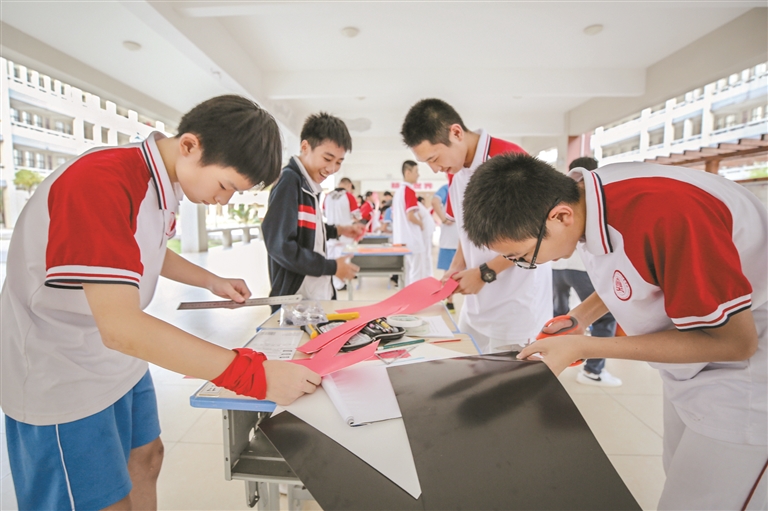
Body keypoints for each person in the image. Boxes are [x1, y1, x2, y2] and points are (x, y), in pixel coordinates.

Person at [0, 95, 322, 511]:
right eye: (226, 186)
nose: (223, 200)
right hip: (61, 368)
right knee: (99, 499)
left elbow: (140, 250)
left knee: (147, 458)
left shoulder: (161, 183)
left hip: (117, 360)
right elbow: (122, 328)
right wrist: (254, 377)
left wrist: (210, 280)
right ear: (190, 145)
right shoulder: (101, 181)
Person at [462, 152, 767, 511]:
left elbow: (735, 343)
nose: (526, 264)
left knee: (705, 500)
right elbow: (634, 270)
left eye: (521, 255)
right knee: (679, 474)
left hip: (747, 374)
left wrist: (585, 347)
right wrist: (580, 317)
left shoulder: (668, 216)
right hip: (692, 357)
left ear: (560, 216)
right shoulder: (589, 197)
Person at [401, 98, 552, 353]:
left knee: (507, 373)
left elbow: (536, 236)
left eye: (434, 158)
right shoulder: (455, 170)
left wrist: (485, 273)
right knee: (466, 362)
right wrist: (456, 266)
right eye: (427, 163)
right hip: (477, 301)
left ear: (456, 133)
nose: (435, 169)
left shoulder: (510, 161)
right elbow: (467, 230)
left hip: (516, 302)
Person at [263, 112, 364, 311]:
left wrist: (338, 230)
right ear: (305, 147)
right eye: (327, 158)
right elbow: (280, 245)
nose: (332, 168)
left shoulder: (309, 187)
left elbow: (307, 230)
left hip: (313, 296)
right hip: (295, 301)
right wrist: (332, 267)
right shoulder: (289, 181)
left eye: (339, 162)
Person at [551, 156, 622, 387]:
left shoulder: (561, 195)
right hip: (581, 269)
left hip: (557, 269)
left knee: (561, 315)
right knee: (604, 317)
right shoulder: (595, 197)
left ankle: (555, 358)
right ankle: (593, 371)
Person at [392, 160, 432, 284]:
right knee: (416, 272)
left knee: (408, 272)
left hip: (401, 239)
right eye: (416, 171)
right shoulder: (409, 191)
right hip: (412, 239)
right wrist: (421, 223)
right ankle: (415, 295)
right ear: (407, 173)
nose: (418, 175)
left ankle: (408, 294)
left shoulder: (398, 193)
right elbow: (410, 216)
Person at [323, 176, 361, 290]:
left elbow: (324, 214)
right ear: (349, 185)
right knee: (344, 259)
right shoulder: (349, 196)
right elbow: (357, 216)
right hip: (345, 234)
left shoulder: (327, 196)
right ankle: (340, 284)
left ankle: (331, 284)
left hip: (330, 233)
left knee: (330, 258)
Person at [432, 182, 458, 311]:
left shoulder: (447, 188)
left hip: (450, 240)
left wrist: (444, 219)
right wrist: (443, 219)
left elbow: (435, 202)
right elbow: (435, 202)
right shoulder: (448, 187)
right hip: (459, 239)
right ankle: (450, 301)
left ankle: (450, 301)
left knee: (449, 274)